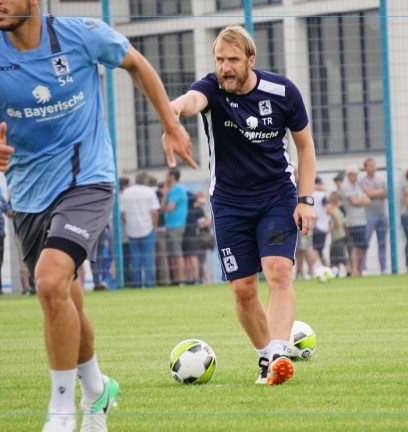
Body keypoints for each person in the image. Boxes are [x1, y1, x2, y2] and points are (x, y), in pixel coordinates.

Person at [0, 2, 194, 430]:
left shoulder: (82, 34)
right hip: (27, 195)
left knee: (48, 280)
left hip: (88, 181)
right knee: (65, 297)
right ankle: (98, 389)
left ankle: (61, 410)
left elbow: (135, 63)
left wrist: (171, 123)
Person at [170, 25, 317, 385]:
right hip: (230, 203)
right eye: (220, 60)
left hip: (277, 195)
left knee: (279, 271)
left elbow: (306, 147)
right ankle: (266, 356)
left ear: (251, 60)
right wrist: (170, 113)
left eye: (233, 60)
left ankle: (279, 354)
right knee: (243, 289)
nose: (225, 67)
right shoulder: (212, 89)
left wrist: (306, 199)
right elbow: (190, 102)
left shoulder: (282, 92)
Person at [120, 171, 160, 288]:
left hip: (132, 229)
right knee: (148, 257)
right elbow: (155, 212)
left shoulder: (126, 192)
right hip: (147, 227)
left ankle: (136, 284)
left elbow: (122, 213)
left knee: (135, 258)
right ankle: (148, 283)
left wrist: (128, 222)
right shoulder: (149, 192)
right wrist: (154, 225)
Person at [359, 157, 389, 274]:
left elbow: (386, 192)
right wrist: (379, 192)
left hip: (382, 215)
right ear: (365, 168)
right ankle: (364, 268)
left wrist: (374, 193)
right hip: (369, 215)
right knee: (365, 243)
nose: (372, 168)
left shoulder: (381, 180)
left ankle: (384, 268)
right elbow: (369, 193)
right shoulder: (362, 181)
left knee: (382, 243)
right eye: (370, 166)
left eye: (374, 165)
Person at [341, 166, 370, 276]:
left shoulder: (357, 186)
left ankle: (359, 268)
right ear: (348, 175)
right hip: (353, 222)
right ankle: (354, 270)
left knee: (363, 246)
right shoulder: (345, 186)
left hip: (362, 220)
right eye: (353, 174)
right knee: (356, 246)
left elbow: (367, 200)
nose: (355, 176)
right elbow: (354, 201)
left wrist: (360, 200)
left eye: (356, 174)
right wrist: (361, 200)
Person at [161, 168, 188, 286]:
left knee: (177, 253)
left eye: (167, 175)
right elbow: (163, 207)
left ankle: (181, 279)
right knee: (172, 253)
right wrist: (166, 193)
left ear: (172, 176)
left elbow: (169, 208)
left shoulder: (177, 189)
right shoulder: (171, 190)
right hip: (171, 224)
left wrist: (164, 207)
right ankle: (176, 279)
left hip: (176, 224)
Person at [327, 191, 349, 277]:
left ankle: (349, 270)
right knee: (335, 255)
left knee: (340, 255)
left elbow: (338, 223)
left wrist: (331, 227)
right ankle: (335, 272)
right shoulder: (338, 210)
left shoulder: (334, 212)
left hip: (338, 236)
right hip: (337, 236)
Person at [311, 177, 330, 267]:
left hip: (313, 224)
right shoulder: (322, 195)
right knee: (317, 249)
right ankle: (310, 270)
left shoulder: (310, 194)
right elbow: (328, 209)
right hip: (321, 225)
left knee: (318, 249)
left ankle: (326, 266)